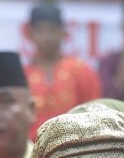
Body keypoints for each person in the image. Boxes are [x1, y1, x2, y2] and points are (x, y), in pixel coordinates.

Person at [23, 3, 101, 139]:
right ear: (30, 34)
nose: (46, 37)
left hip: (76, 150)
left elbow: (96, 113)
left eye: (52, 30)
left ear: (63, 32)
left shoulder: (81, 70)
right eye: (40, 31)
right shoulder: (22, 75)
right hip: (32, 153)